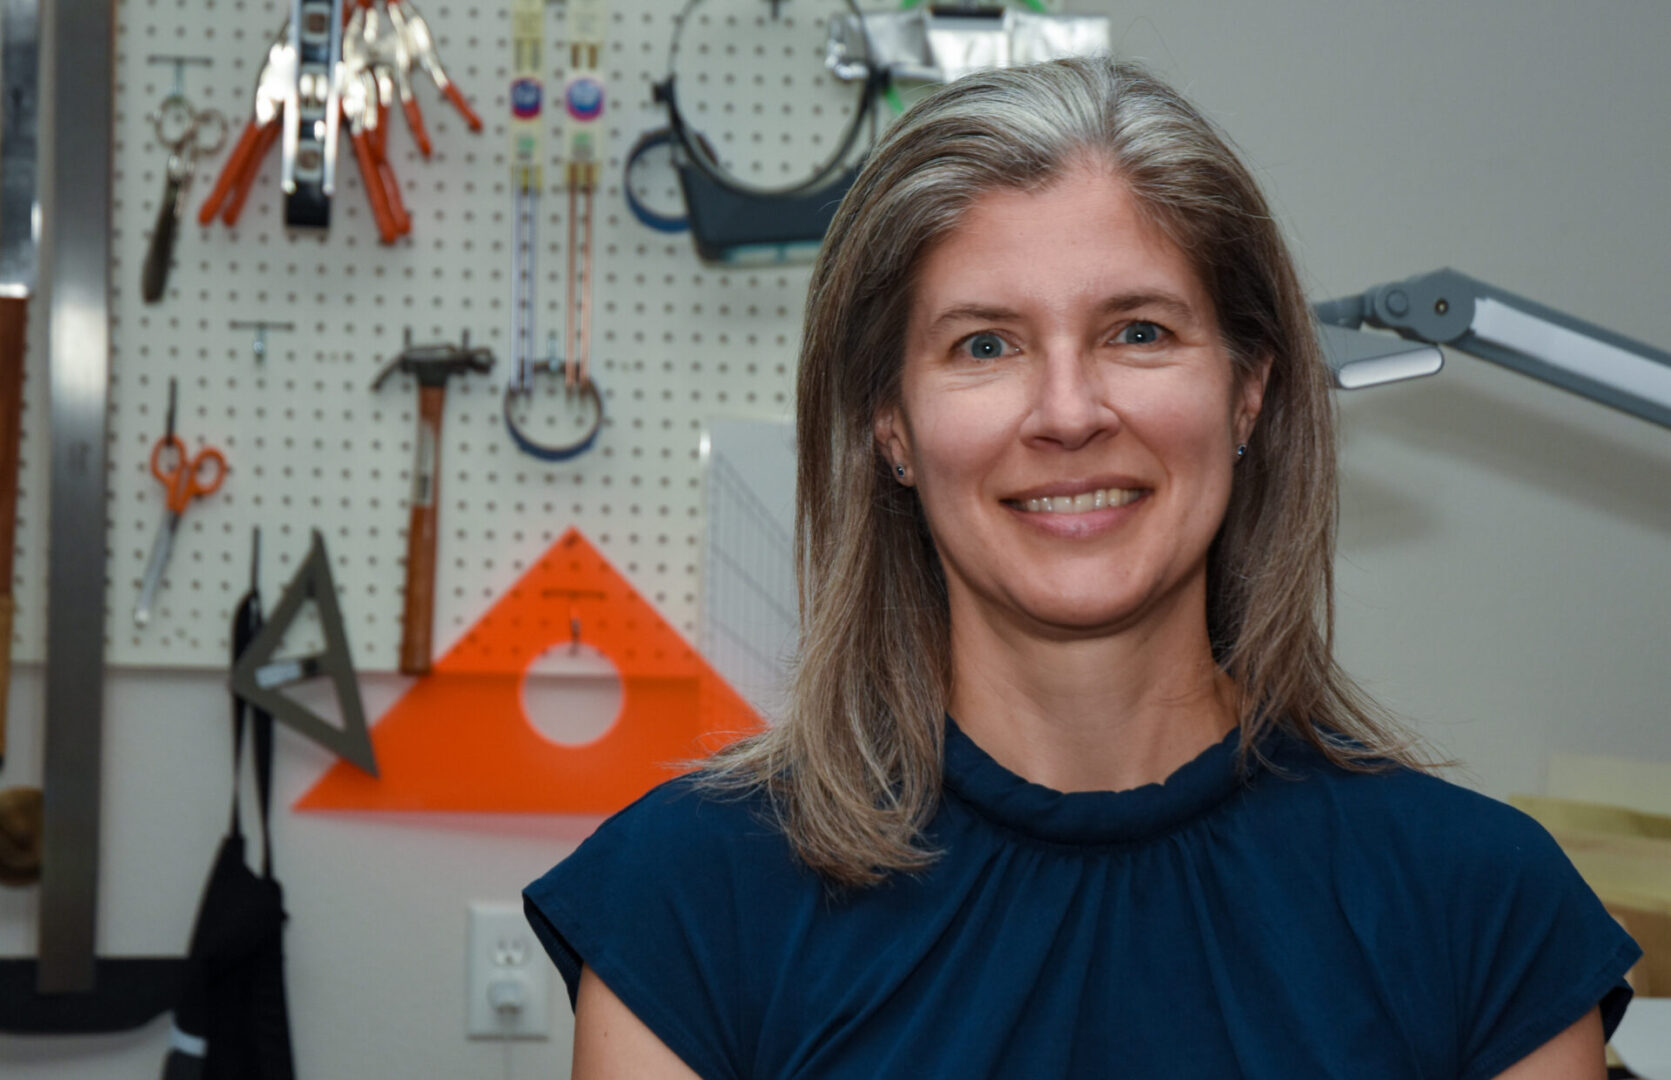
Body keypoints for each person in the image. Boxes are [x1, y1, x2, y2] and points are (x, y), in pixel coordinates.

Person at [524, 57, 1641, 1078]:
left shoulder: (1482, 909)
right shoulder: (689, 902)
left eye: (1139, 332)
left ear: (1247, 389)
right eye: (985, 345)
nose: (1068, 413)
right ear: (891, 427)